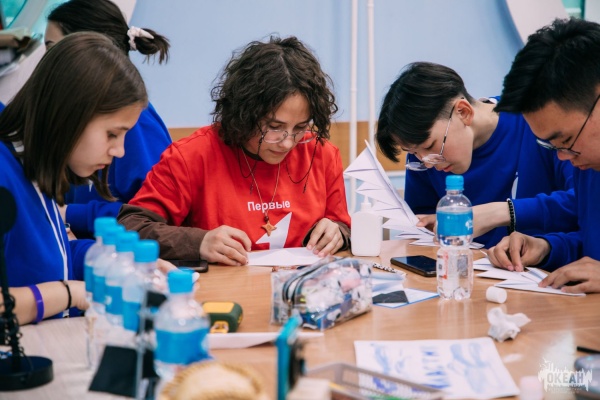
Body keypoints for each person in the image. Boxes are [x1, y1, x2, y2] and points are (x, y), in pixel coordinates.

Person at [118, 36, 351, 266]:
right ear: (245, 113)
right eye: (274, 127)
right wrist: (199, 242)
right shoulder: (191, 156)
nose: (287, 143)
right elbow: (131, 227)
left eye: (300, 128)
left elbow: (344, 226)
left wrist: (339, 232)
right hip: (222, 289)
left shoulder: (322, 154)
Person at [0, 32, 147, 324]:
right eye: (112, 134)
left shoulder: (33, 164)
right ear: (69, 115)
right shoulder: (5, 172)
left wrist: (121, 264)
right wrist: (68, 294)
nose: (119, 151)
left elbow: (49, 258)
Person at [376, 62, 577, 248]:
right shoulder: (422, 156)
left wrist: (502, 212)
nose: (427, 163)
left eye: (430, 146)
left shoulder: (537, 123)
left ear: (463, 112)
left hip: (545, 270)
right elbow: (421, 234)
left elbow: (582, 202)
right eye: (414, 153)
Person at [487, 17, 600, 294]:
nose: (563, 157)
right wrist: (546, 248)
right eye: (553, 146)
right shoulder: (589, 164)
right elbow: (592, 252)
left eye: (566, 140)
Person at [45, 0, 172, 238]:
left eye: (53, 49)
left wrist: (68, 213)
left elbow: (154, 214)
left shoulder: (137, 122)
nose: (46, 63)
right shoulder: (74, 119)